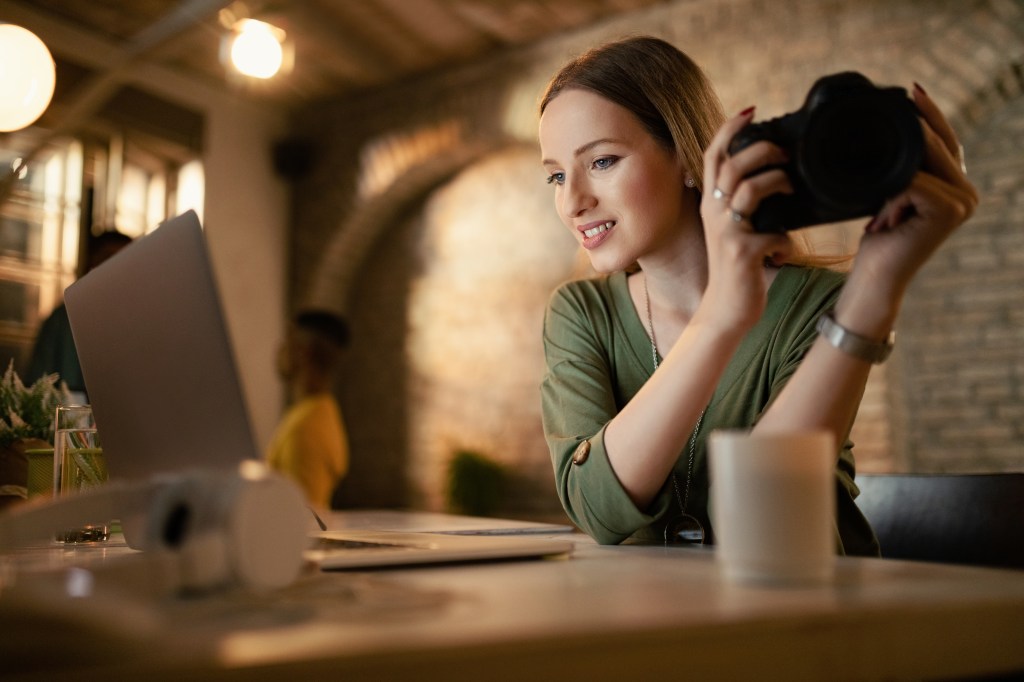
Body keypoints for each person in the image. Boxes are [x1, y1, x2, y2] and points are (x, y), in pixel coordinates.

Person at [538, 36, 977, 550]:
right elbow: (597, 508)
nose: (572, 202)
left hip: (801, 620)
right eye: (556, 176)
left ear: (685, 155)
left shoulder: (818, 305)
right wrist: (722, 314)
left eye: (603, 161)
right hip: (646, 624)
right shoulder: (580, 313)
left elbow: (761, 516)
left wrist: (877, 287)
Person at [27, 230, 133, 401]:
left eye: (126, 261)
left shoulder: (136, 321)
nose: (117, 269)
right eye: (108, 260)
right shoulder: (62, 320)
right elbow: (37, 388)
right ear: (90, 265)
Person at [266, 309, 350, 510]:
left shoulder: (307, 428)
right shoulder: (318, 411)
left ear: (303, 352)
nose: (279, 350)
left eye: (287, 341)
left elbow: (304, 517)